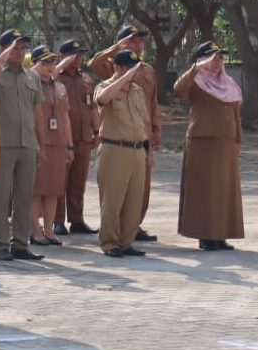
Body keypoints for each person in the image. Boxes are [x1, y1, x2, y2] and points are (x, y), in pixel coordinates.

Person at [88, 24, 162, 242]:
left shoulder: (147, 70)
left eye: (140, 41)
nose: (137, 45)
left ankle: (132, 227)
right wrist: (116, 48)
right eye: (132, 41)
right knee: (114, 193)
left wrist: (156, 131)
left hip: (141, 136)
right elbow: (93, 64)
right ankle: (113, 236)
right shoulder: (112, 65)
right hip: (116, 139)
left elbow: (153, 102)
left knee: (140, 190)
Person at [173, 42, 245, 251]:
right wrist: (196, 68)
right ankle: (205, 235)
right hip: (202, 142)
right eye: (213, 59)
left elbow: (235, 114)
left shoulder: (228, 83)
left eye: (220, 58)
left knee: (224, 190)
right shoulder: (196, 81)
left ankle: (220, 234)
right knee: (204, 190)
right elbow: (178, 89)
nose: (217, 63)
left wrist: (238, 140)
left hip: (226, 143)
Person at [0, 29, 45, 262]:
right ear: (3, 49)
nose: (19, 53)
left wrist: (40, 144)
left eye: (22, 48)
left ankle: (21, 243)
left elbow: (38, 112)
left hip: (27, 143)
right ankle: (0, 243)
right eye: (14, 48)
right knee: (0, 196)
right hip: (2, 144)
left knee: (24, 196)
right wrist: (0, 60)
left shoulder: (33, 77)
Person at [95, 50, 153, 258]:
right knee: (112, 200)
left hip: (138, 150)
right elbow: (102, 99)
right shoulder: (105, 86)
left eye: (135, 68)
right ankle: (110, 243)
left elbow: (144, 122)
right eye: (129, 68)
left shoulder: (137, 91)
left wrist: (148, 150)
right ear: (117, 67)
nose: (134, 72)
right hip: (115, 149)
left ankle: (126, 242)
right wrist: (123, 78)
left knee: (133, 201)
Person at [28, 46, 73, 247]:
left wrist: (70, 145)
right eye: (44, 62)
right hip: (37, 142)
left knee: (53, 190)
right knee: (36, 190)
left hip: (58, 143)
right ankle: (35, 231)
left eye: (52, 63)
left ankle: (49, 230)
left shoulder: (60, 87)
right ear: (34, 64)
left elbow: (65, 117)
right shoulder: (29, 84)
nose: (49, 67)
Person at [54, 40, 100, 236]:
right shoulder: (55, 77)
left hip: (83, 137)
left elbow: (92, 107)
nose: (78, 58)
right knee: (60, 180)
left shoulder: (86, 80)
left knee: (78, 181)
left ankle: (77, 219)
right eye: (74, 54)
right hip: (63, 138)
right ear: (62, 56)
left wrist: (96, 131)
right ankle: (57, 220)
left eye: (80, 55)